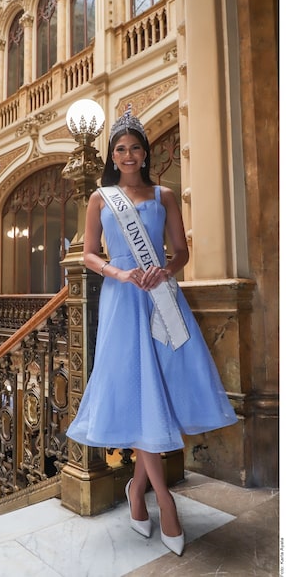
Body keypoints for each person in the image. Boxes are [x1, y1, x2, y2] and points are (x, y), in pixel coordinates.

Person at [66, 109, 238, 557]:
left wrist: (165, 270)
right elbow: (87, 255)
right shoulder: (101, 199)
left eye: (135, 147)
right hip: (123, 301)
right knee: (139, 391)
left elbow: (181, 251)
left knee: (163, 392)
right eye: (120, 149)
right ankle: (164, 499)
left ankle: (136, 489)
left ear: (146, 153)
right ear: (113, 154)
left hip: (162, 298)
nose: (128, 155)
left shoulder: (165, 195)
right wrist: (117, 275)